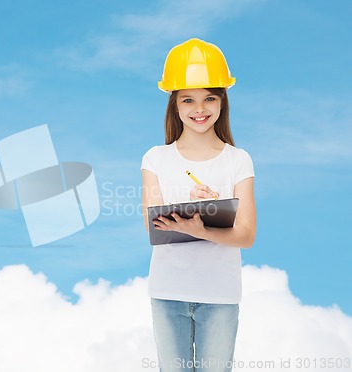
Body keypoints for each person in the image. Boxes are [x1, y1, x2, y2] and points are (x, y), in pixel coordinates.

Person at [141, 38, 256, 372]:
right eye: (188, 99)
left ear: (222, 102)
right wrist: (193, 216)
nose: (199, 108)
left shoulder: (238, 160)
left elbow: (246, 235)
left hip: (220, 294)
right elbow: (152, 226)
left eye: (209, 98)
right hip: (167, 291)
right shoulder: (156, 158)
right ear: (174, 105)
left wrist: (202, 227)